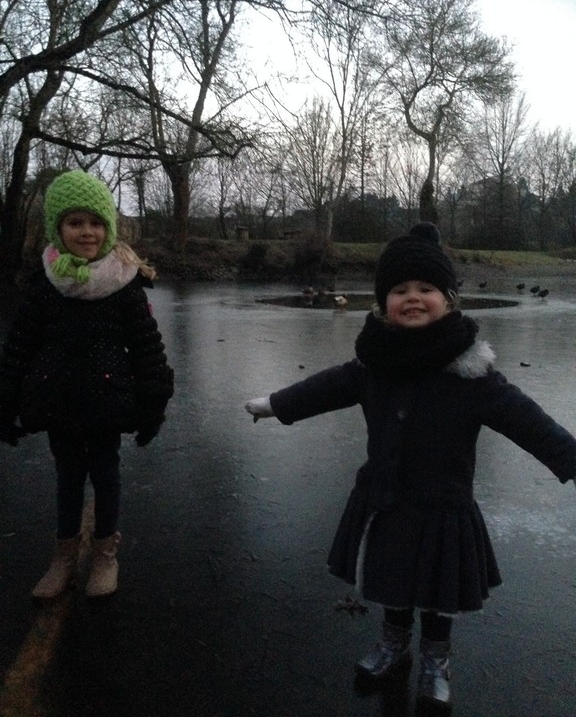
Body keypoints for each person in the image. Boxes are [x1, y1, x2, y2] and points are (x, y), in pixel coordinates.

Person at [245, 222, 576, 709]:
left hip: (443, 507)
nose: (413, 298)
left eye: (426, 289)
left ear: (448, 299)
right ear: (384, 303)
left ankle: (436, 659)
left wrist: (569, 455)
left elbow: (527, 421)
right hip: (387, 499)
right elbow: (325, 388)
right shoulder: (373, 365)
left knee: (437, 596)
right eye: (400, 290)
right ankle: (394, 646)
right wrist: (276, 403)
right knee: (393, 584)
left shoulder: (473, 375)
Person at [0, 170, 174, 600]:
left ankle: (104, 554)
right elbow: (19, 346)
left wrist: (153, 404)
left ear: (108, 228)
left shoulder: (125, 284)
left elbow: (148, 350)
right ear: (57, 228)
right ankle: (63, 556)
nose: (87, 232)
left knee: (105, 474)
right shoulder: (45, 284)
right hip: (57, 400)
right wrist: (6, 400)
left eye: (96, 223)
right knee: (68, 477)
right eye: (75, 222)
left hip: (108, 402)